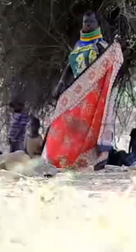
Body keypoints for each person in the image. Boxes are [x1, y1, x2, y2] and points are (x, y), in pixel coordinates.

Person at [44, 11, 124, 169]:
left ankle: (94, 159)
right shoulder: (78, 45)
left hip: (92, 95)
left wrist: (115, 47)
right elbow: (69, 66)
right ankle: (60, 158)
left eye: (91, 22)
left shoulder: (100, 45)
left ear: (97, 25)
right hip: (76, 92)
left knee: (90, 128)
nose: (87, 24)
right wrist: (61, 83)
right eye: (85, 21)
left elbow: (110, 64)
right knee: (65, 122)